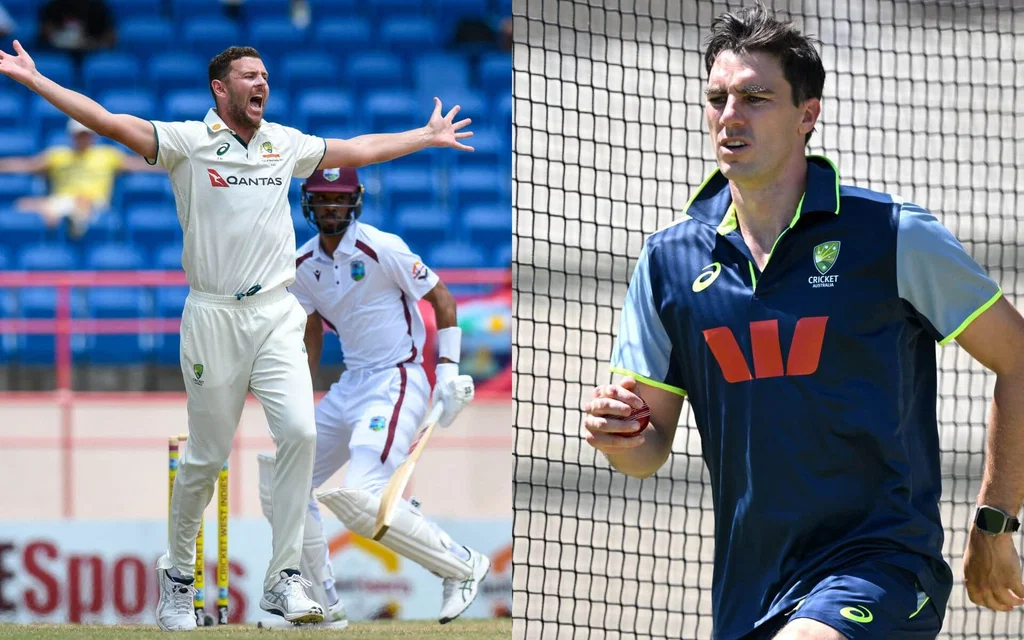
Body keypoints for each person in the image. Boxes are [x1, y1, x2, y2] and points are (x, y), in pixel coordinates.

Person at [581, 5, 1024, 640]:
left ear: (807, 115)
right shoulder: (668, 261)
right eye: (717, 99)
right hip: (748, 589)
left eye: (755, 98)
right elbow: (648, 455)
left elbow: (1018, 359)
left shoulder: (893, 236)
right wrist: (618, 436)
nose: (730, 116)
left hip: (883, 566)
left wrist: (994, 525)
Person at [0, 42, 474, 631]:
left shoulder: (284, 143)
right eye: (250, 76)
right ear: (220, 89)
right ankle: (176, 580)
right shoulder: (185, 143)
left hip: (276, 312)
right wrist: (36, 80)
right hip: (212, 316)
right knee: (204, 460)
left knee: (299, 432)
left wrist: (424, 137)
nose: (262, 84)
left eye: (266, 76)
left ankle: (284, 582)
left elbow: (357, 149)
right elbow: (106, 120)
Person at [256, 167, 488, 628]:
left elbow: (442, 298)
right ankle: (324, 605)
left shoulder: (382, 247)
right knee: (280, 478)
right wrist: (300, 394)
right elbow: (311, 331)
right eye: (322, 199)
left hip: (397, 380)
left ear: (354, 201)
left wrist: (447, 371)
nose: (331, 208)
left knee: (363, 499)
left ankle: (461, 565)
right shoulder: (302, 266)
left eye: (339, 199)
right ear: (309, 204)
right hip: (351, 385)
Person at [0, 118, 162, 237]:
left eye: (86, 135)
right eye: (79, 135)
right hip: (60, 200)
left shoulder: (107, 155)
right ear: (72, 136)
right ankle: (60, 227)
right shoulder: (57, 155)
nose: (83, 139)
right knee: (23, 205)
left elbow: (136, 164)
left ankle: (74, 226)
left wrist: (168, 167)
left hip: (94, 203)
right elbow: (28, 165)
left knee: (81, 201)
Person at [37, 0, 116, 64]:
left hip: (92, 53)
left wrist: (89, 42)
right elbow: (44, 34)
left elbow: (110, 38)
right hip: (58, 53)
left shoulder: (98, 7)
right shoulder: (52, 7)